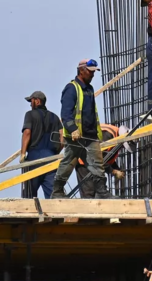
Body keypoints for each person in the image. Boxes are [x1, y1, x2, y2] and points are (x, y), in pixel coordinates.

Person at [51, 59, 111, 199]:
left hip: (90, 136)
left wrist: (97, 134)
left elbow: (91, 112)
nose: (92, 75)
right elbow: (66, 113)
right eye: (90, 72)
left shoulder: (89, 89)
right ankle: (57, 191)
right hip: (76, 137)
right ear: (81, 70)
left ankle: (102, 192)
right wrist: (73, 129)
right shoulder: (72, 88)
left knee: (97, 164)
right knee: (69, 162)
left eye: (93, 72)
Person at [20, 91, 63, 199]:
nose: (30, 104)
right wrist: (55, 152)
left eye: (31, 101)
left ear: (37, 101)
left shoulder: (30, 115)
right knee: (53, 196)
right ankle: (55, 215)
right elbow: (63, 138)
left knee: (29, 196)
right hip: (51, 159)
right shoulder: (55, 117)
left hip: (34, 158)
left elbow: (27, 133)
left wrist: (23, 154)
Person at [75, 124, 126, 198]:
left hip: (90, 161)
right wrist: (113, 171)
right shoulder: (107, 136)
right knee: (89, 193)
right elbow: (98, 158)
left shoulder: (114, 135)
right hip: (84, 162)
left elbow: (107, 157)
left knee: (97, 192)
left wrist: (116, 168)